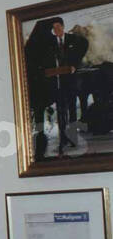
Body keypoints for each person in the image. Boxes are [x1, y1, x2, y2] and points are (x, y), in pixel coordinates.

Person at [24, 17, 88, 153]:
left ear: (63, 27)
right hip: (57, 82)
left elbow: (84, 44)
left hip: (71, 82)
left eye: (59, 27)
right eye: (54, 28)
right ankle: (63, 138)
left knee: (72, 110)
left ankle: (73, 138)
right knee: (61, 110)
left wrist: (74, 64)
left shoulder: (74, 39)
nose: (57, 30)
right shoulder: (50, 42)